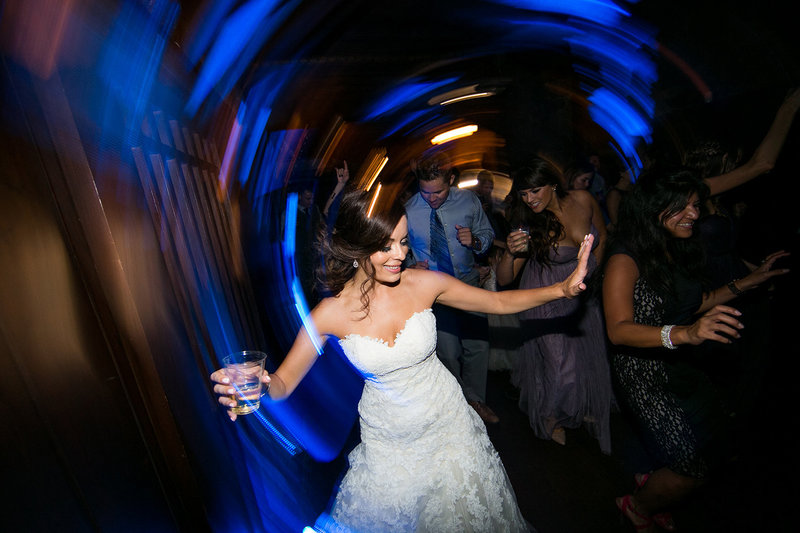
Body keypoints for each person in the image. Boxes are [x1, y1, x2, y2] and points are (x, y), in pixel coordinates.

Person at [211, 184, 595, 532]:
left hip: (449, 430)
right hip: (389, 446)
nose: (399, 255)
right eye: (386, 246)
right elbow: (282, 383)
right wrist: (258, 384)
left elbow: (496, 300)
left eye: (404, 242)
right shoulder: (329, 314)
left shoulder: (423, 284)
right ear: (357, 247)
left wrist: (561, 289)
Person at [601, 168, 789, 532]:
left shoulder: (674, 248)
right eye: (681, 207)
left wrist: (748, 281)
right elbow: (618, 330)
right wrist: (685, 334)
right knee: (692, 467)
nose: (694, 214)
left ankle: (656, 487)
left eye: (695, 205)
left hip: (679, 364)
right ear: (653, 210)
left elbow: (694, 302)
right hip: (645, 374)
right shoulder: (624, 259)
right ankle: (637, 505)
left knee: (712, 446)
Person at [496, 158, 613, 452]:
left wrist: (594, 273)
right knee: (561, 366)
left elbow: (602, 235)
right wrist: (510, 253)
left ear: (553, 185)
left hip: (583, 295)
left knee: (584, 357)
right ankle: (551, 415)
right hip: (545, 298)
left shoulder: (584, 199)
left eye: (535, 190)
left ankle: (574, 406)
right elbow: (505, 278)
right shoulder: (529, 225)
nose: (530, 199)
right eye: (523, 194)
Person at [404, 160, 500, 424]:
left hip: (468, 284)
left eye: (438, 192)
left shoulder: (469, 201)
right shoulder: (409, 210)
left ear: (451, 181)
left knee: (478, 346)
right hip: (434, 292)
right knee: (447, 352)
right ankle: (459, 406)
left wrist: (476, 240)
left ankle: (477, 401)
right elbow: (400, 248)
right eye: (426, 192)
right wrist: (412, 265)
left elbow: (486, 233)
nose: (432, 198)